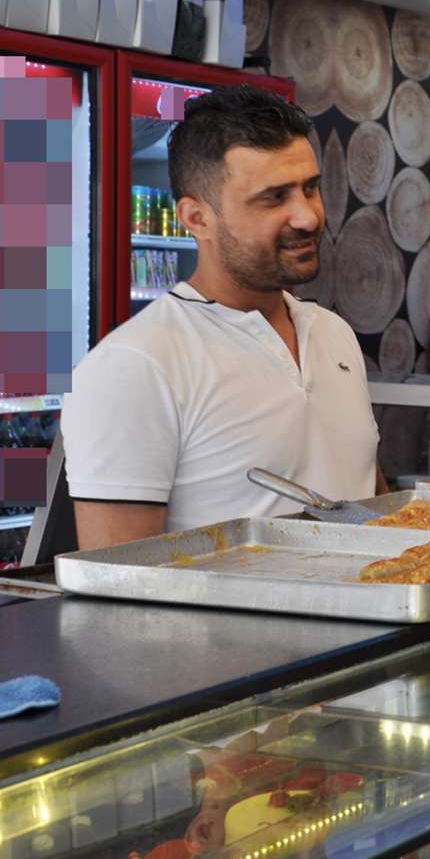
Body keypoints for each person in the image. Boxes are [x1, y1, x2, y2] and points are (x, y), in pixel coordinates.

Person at [63, 85, 384, 548]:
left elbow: (369, 501)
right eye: (274, 197)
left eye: (310, 188)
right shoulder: (134, 367)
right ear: (196, 218)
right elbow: (116, 580)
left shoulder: (334, 334)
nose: (308, 217)